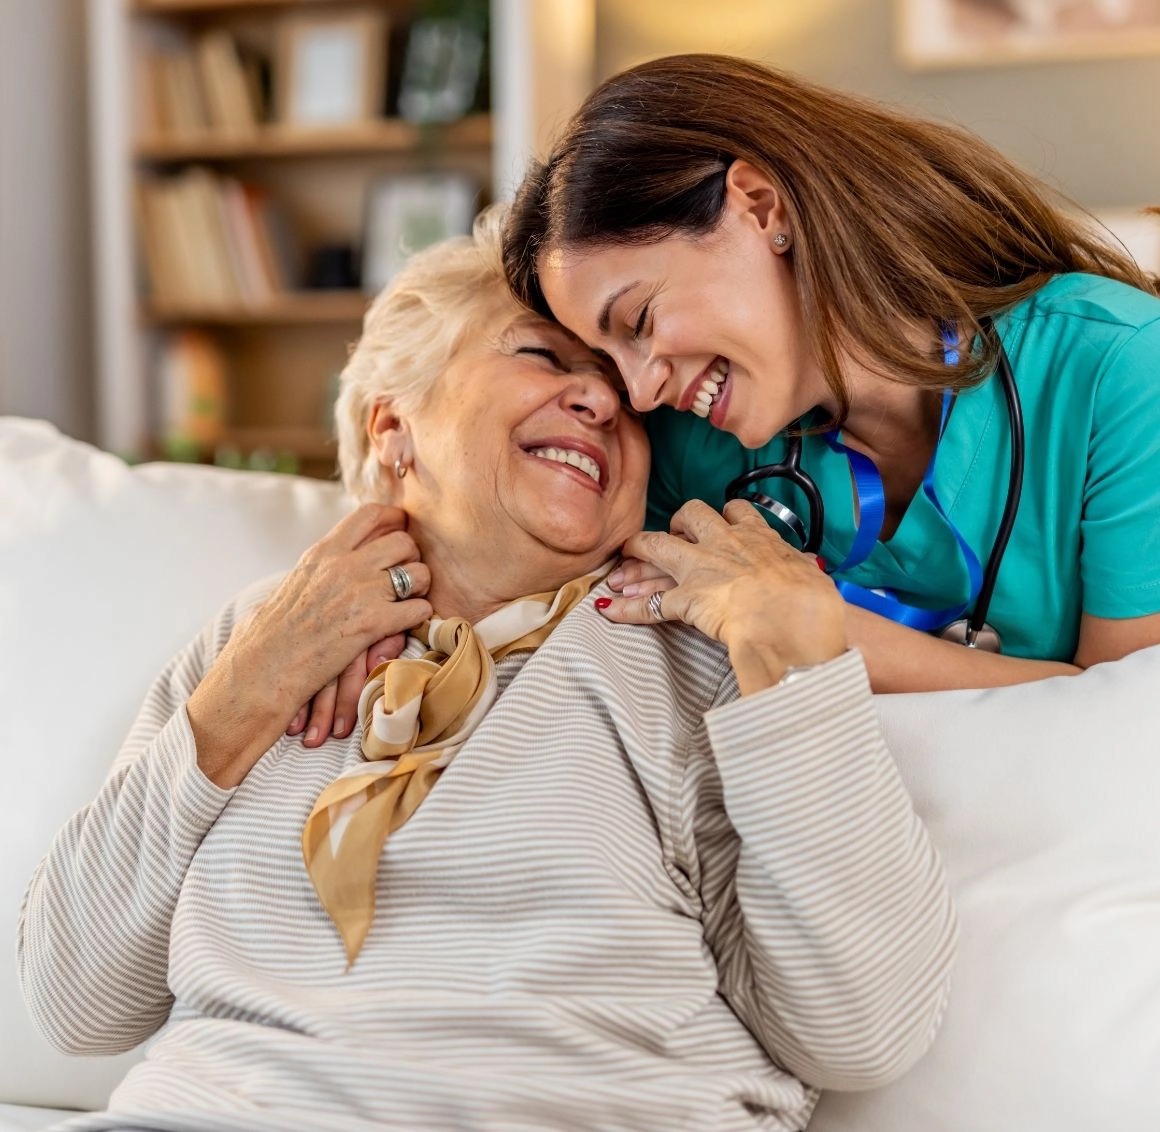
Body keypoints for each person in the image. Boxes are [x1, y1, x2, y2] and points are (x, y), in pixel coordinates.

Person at [19, 210, 955, 1132]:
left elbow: (863, 1033)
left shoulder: (697, 651)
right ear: (395, 426)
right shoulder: (256, 639)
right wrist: (252, 685)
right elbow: (76, 999)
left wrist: (796, 663)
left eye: (625, 400)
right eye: (543, 359)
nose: (599, 400)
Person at [503, 53, 1160, 693]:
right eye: (612, 360)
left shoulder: (1121, 369)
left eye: (640, 321)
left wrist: (807, 626)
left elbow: (1123, 716)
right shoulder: (689, 450)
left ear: (761, 207)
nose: (642, 390)